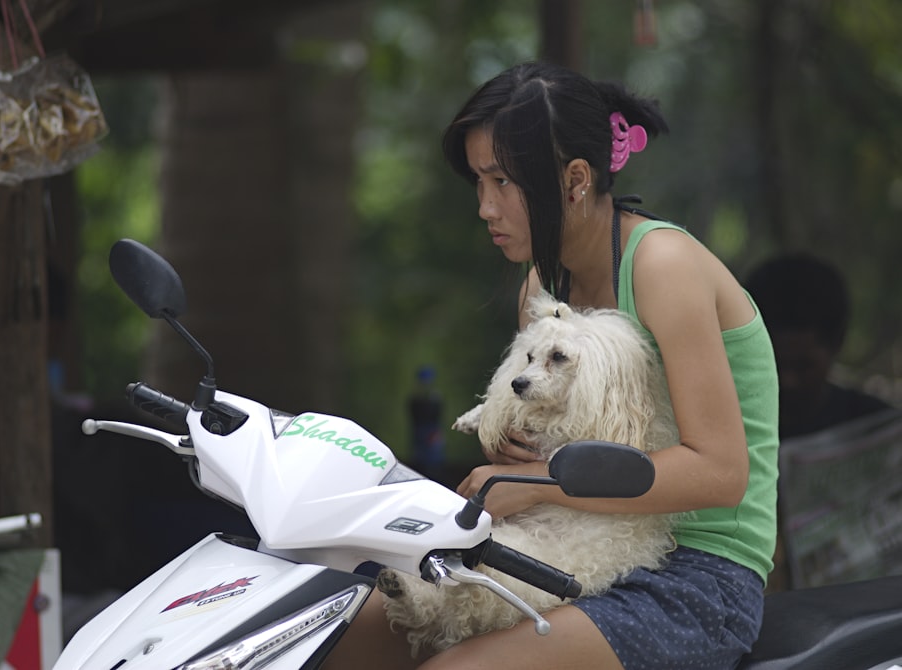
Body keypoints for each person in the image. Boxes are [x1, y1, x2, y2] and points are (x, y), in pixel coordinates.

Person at [324, 61, 779, 670]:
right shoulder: (542, 284)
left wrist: (535, 481)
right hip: (561, 542)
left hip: (694, 574)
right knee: (340, 632)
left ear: (575, 180)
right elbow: (531, 450)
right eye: (478, 183)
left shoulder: (661, 266)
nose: (486, 207)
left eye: (503, 182)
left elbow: (720, 473)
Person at [743, 253, 892, 441]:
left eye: (802, 366)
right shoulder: (722, 424)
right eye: (775, 365)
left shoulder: (875, 426)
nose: (788, 380)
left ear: (836, 344)